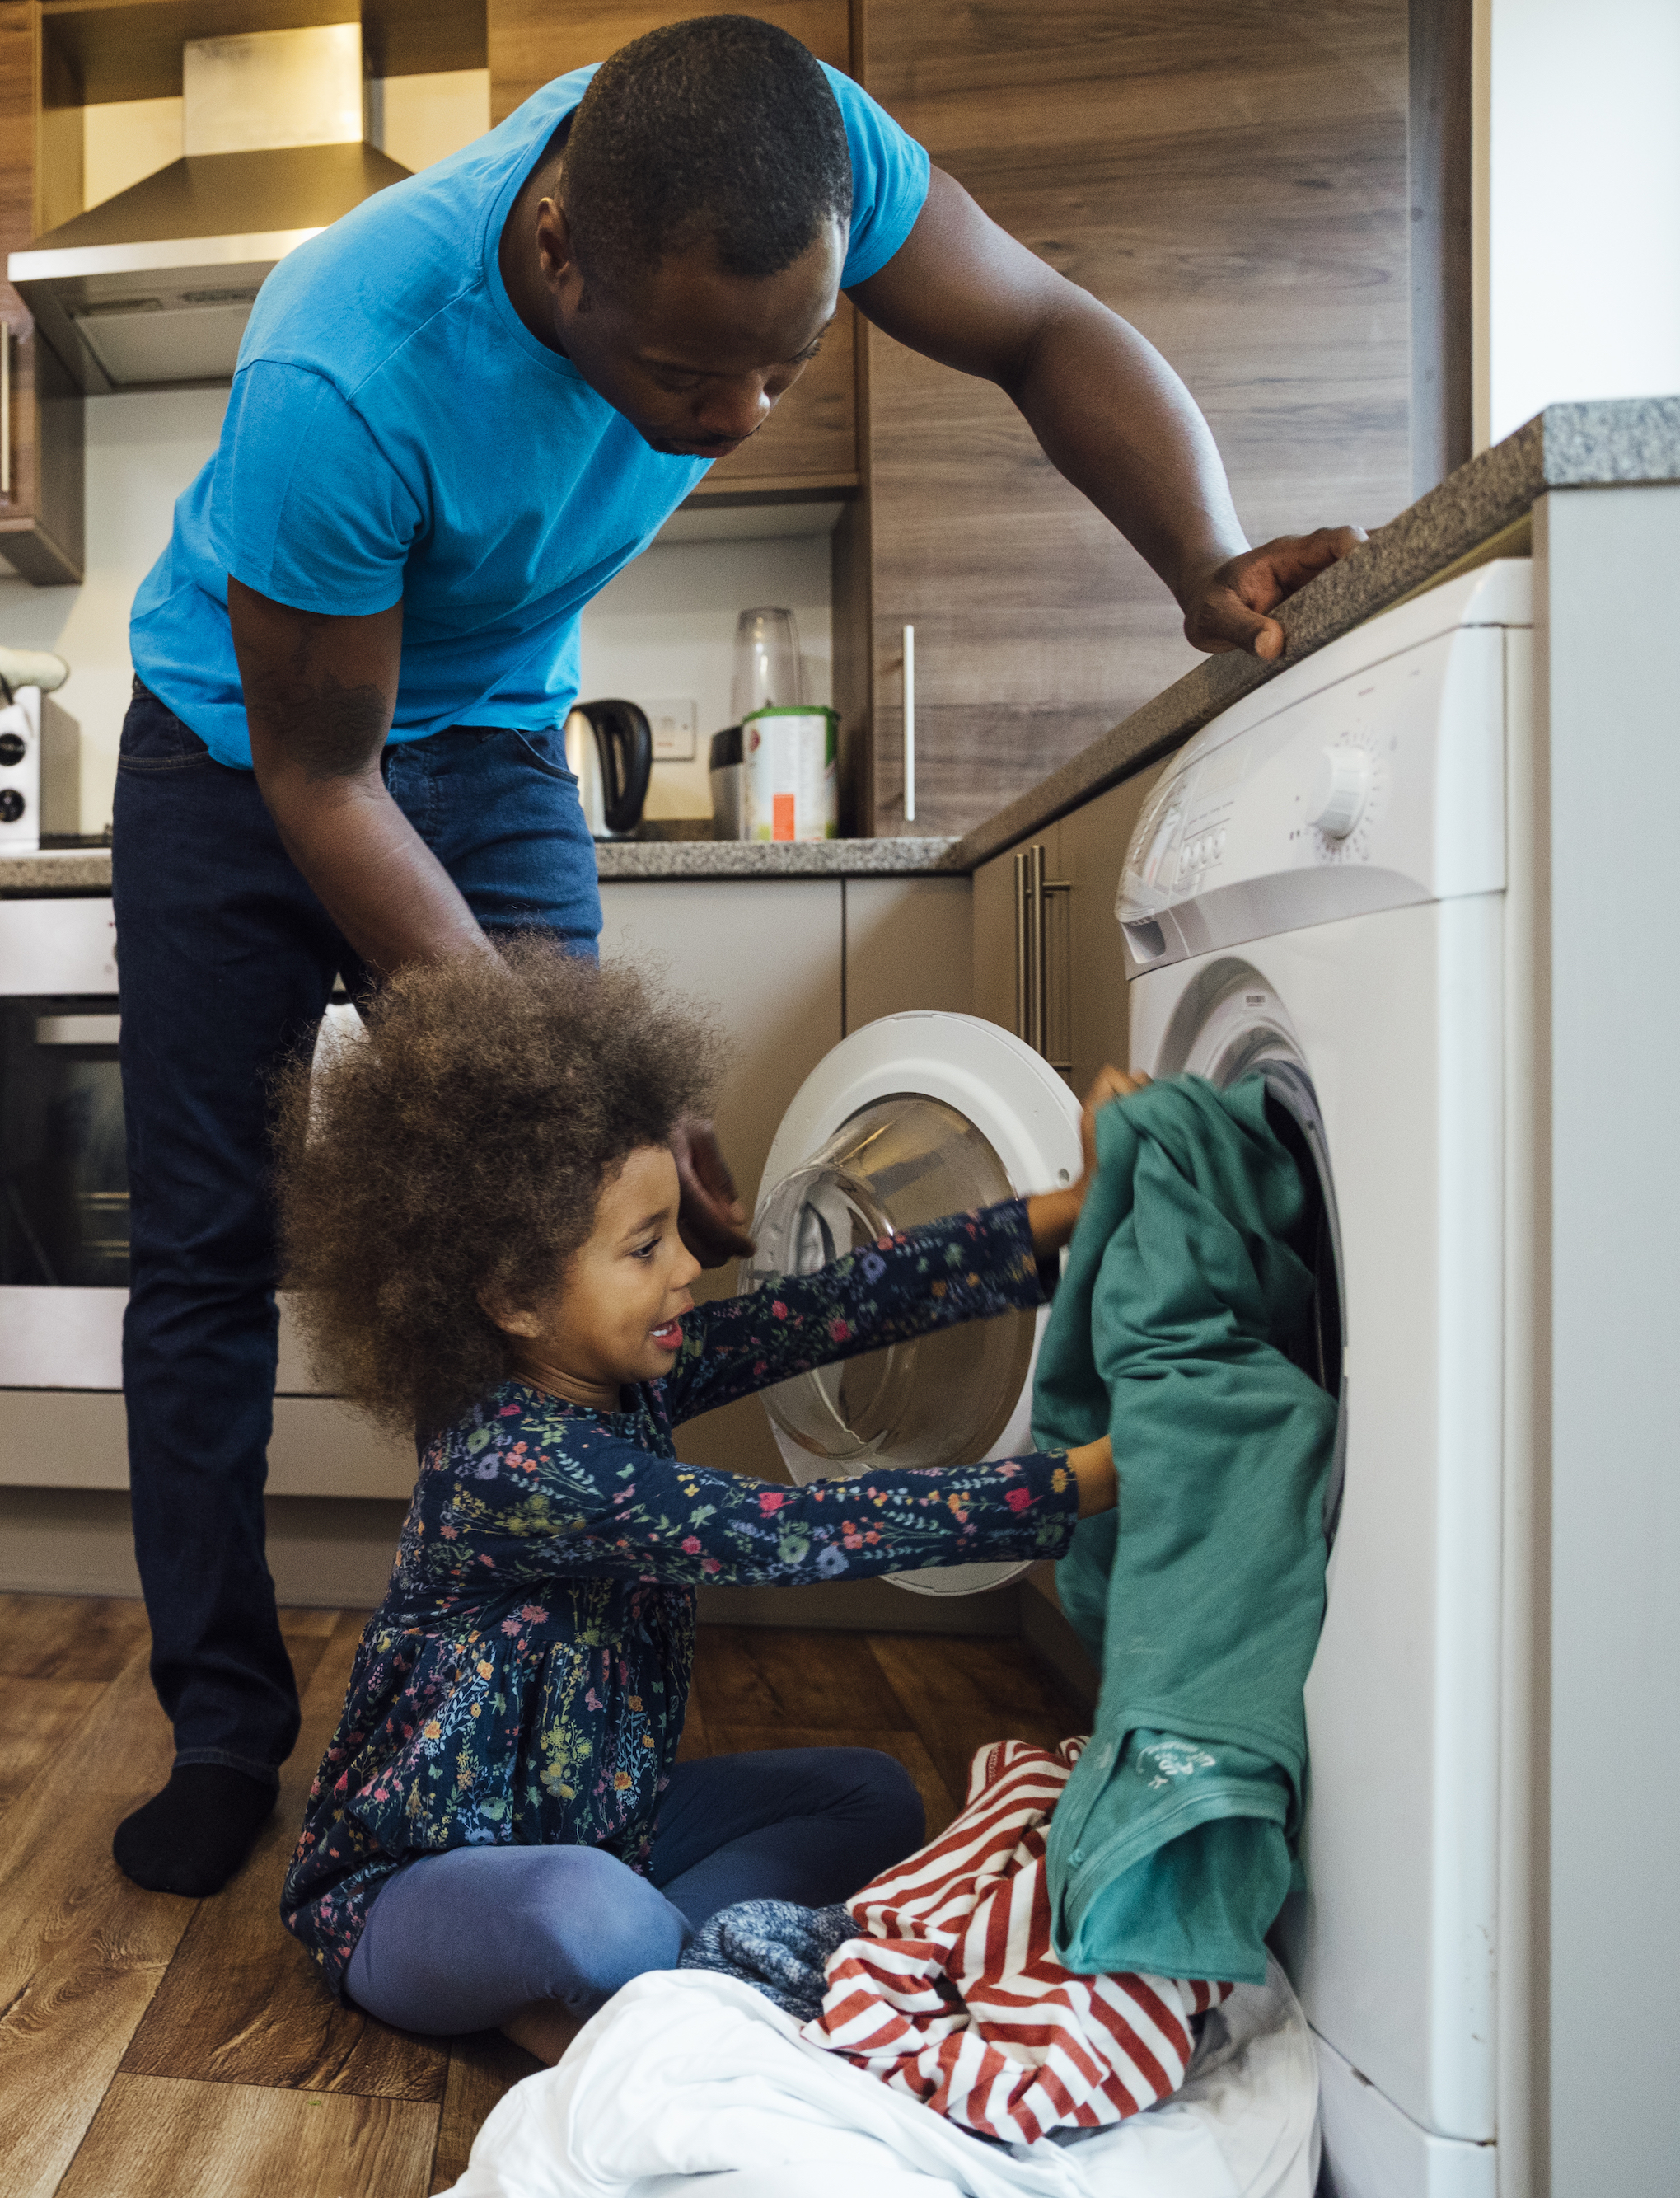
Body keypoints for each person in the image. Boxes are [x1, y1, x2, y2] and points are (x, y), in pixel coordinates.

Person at [107, 11, 1355, 1897]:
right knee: (208, 1248)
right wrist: (590, 1086)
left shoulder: (804, 154)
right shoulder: (341, 367)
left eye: (783, 362)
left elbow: (1035, 327)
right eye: (689, 370)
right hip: (247, 753)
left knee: (582, 1250)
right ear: (554, 260)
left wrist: (1203, 556)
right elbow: (321, 771)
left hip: (496, 736)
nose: (736, 418)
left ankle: (522, 1713)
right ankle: (222, 1727)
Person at [272, 944, 1131, 2058]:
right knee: (585, 1913)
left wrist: (1060, 1214)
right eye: (644, 1248)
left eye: (674, 1229)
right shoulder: (511, 1463)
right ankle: (656, 1986)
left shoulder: (622, 1373)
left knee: (870, 1797)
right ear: (514, 1299)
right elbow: (788, 1535)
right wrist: (1091, 1482)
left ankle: (644, 1998)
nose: (688, 1267)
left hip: (607, 1827)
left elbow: (825, 1310)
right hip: (407, 1890)